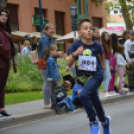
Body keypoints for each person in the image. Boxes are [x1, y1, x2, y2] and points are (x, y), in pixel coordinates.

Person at [68, 19, 111, 134]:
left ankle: (93, 121)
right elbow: (69, 63)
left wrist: (103, 68)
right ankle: (104, 121)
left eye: (91, 28)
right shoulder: (75, 45)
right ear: (79, 32)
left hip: (96, 75)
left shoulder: (97, 45)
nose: (89, 30)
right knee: (95, 99)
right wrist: (75, 54)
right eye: (85, 28)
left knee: (83, 95)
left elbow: (101, 54)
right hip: (83, 78)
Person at [38, 24, 64, 109]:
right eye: (50, 29)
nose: (52, 30)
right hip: (45, 61)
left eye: (53, 29)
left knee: (48, 82)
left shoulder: (49, 38)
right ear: (45, 30)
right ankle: (46, 103)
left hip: (46, 61)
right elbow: (47, 51)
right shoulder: (46, 38)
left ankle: (49, 102)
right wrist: (57, 53)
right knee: (47, 82)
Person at [0, 8, 17, 120]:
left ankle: (2, 109)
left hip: (6, 59)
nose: (4, 17)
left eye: (6, 15)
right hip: (1, 59)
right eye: (1, 15)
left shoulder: (6, 30)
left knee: (2, 86)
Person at [45, 45, 62, 110]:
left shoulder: (53, 59)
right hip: (52, 78)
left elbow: (55, 70)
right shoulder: (50, 60)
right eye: (55, 50)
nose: (56, 52)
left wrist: (57, 77)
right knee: (53, 91)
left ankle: (55, 103)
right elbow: (52, 70)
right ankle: (54, 104)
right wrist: (55, 79)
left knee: (54, 91)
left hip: (54, 77)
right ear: (51, 51)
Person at [101, 32, 112, 97]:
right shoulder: (102, 44)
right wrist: (103, 64)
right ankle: (105, 91)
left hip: (107, 61)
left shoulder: (107, 44)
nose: (107, 38)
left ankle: (105, 91)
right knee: (108, 76)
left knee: (105, 77)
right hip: (104, 61)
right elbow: (101, 55)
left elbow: (108, 55)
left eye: (108, 36)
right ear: (103, 37)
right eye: (105, 36)